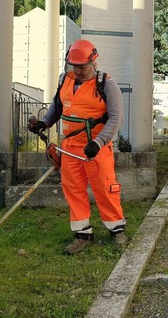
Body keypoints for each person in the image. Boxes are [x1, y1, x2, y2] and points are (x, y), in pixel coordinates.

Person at [28, 39, 127, 254]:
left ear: (94, 62)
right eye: (73, 66)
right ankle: (83, 233)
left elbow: (116, 119)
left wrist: (99, 142)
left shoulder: (107, 85)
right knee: (73, 189)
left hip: (96, 147)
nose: (77, 71)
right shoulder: (65, 80)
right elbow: (57, 107)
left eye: (82, 67)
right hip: (70, 147)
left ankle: (116, 229)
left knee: (104, 187)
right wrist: (44, 123)